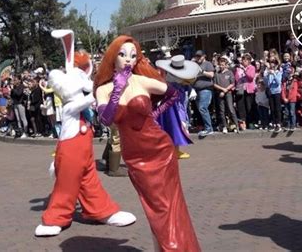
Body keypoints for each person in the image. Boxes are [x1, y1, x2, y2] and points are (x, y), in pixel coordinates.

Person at [94, 35, 201, 251]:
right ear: (113, 57)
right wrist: (117, 90)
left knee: (169, 205)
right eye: (123, 55)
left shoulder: (142, 81)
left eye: (133, 56)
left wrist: (155, 112)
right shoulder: (103, 89)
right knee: (155, 207)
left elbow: (172, 95)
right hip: (135, 156)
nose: (128, 60)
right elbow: (106, 119)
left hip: (160, 150)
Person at [35, 29, 136, 237]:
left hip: (84, 153)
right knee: (66, 185)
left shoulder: (82, 103)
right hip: (71, 151)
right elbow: (89, 99)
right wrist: (103, 89)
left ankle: (102, 211)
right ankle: (56, 217)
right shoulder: (71, 106)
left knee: (90, 182)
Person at [155, 54, 199, 158]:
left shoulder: (181, 82)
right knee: (175, 126)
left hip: (180, 105)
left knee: (178, 126)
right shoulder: (170, 79)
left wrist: (190, 90)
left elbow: (189, 81)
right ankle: (172, 150)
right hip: (172, 107)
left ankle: (175, 150)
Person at [192, 50, 215, 137]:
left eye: (200, 56)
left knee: (203, 108)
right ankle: (206, 127)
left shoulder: (208, 64)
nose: (198, 58)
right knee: (200, 110)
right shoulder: (196, 65)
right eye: (197, 56)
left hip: (206, 89)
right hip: (197, 90)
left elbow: (211, 75)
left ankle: (209, 129)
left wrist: (202, 71)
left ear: (204, 56)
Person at [214, 56, 239, 134]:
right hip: (220, 94)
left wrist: (225, 90)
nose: (221, 66)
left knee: (231, 109)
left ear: (226, 65)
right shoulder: (217, 74)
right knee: (222, 111)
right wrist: (222, 90)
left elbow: (232, 83)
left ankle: (236, 126)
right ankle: (224, 126)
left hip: (228, 93)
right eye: (220, 65)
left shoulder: (229, 72)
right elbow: (214, 84)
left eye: (223, 65)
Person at [234, 53, 256, 130]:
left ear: (249, 61)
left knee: (249, 106)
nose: (243, 62)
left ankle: (250, 122)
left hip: (249, 90)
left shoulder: (252, 68)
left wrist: (245, 70)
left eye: (245, 60)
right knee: (241, 107)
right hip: (240, 89)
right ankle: (243, 123)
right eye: (243, 60)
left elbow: (251, 77)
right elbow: (236, 79)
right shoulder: (238, 68)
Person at [264, 58, 283, 133]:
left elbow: (278, 82)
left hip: (277, 92)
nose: (272, 64)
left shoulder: (279, 72)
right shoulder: (268, 72)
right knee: (272, 108)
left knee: (277, 108)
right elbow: (267, 84)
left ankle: (278, 123)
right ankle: (274, 122)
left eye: (273, 63)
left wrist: (274, 74)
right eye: (271, 63)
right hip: (271, 92)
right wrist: (267, 75)